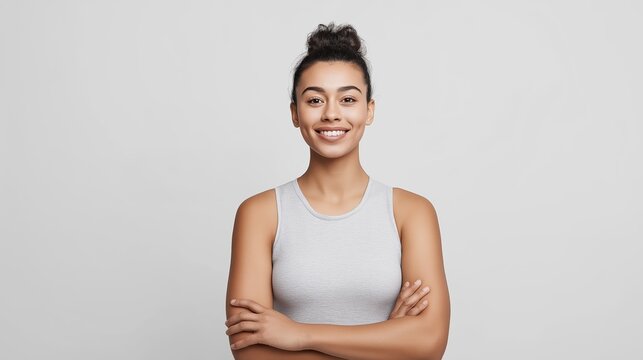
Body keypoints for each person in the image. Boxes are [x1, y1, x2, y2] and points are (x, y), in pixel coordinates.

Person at [225, 22, 450, 359]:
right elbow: (251, 352)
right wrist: (387, 339)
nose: (331, 113)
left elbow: (430, 343)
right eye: (315, 99)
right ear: (295, 113)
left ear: (368, 110)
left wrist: (299, 334)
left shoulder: (411, 213)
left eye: (347, 99)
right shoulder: (260, 213)